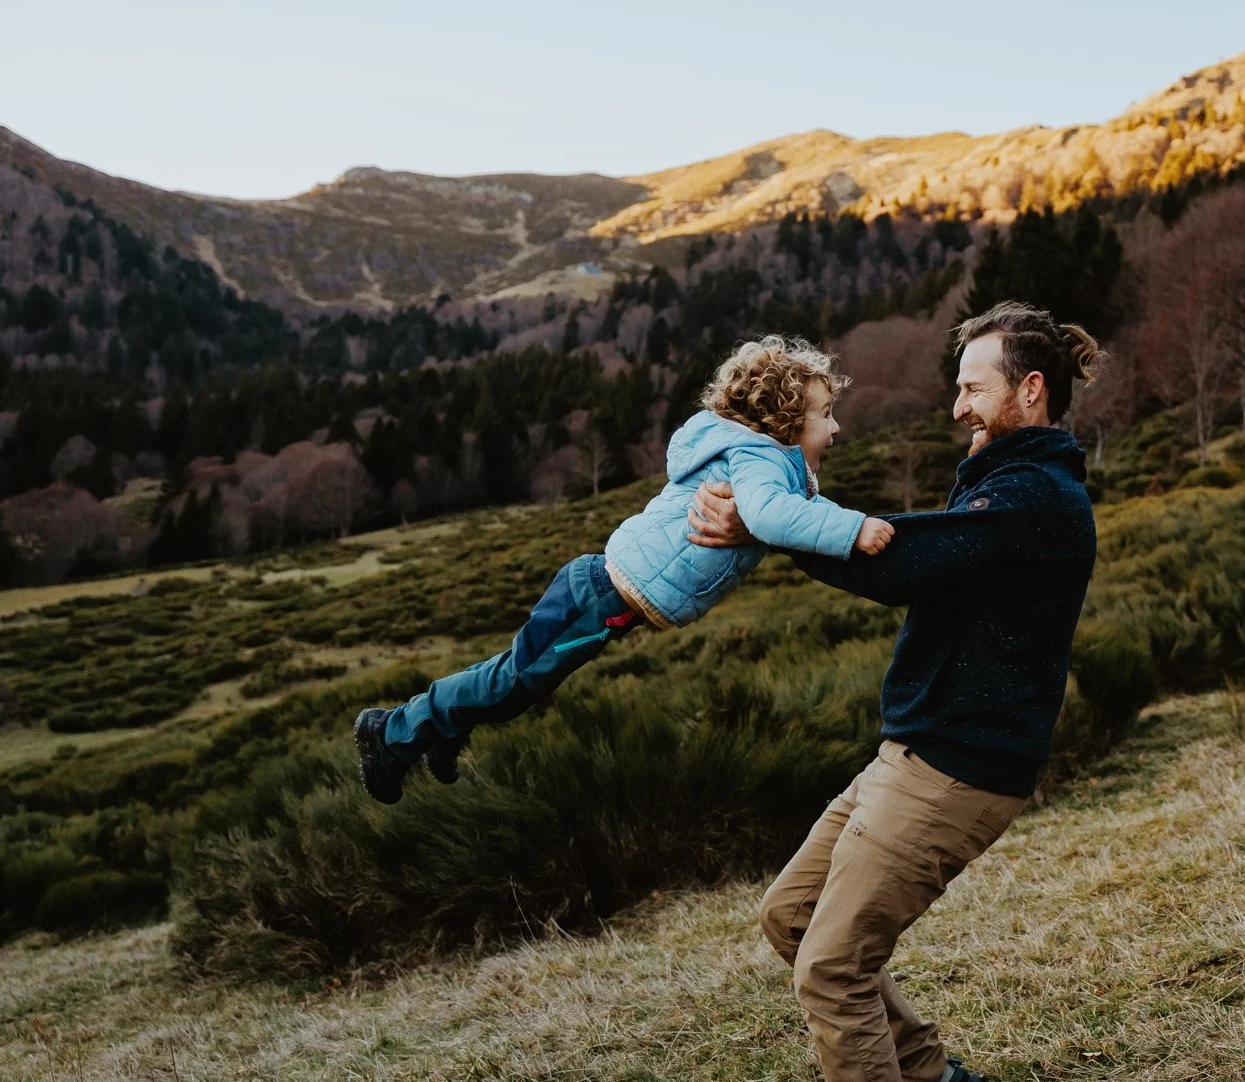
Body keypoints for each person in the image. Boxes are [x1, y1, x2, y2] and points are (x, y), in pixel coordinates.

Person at [686, 301, 1103, 1082]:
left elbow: (901, 562)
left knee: (829, 964)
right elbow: (908, 561)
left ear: (1027, 391)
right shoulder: (997, 482)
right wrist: (771, 522)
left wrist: (763, 523)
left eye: (971, 386)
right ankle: (921, 1081)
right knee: (789, 921)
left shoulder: (1036, 498)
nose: (955, 405)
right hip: (906, 755)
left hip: (953, 774)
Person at [351, 335, 892, 804]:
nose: (837, 426)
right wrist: (853, 531)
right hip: (600, 596)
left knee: (515, 679)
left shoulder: (758, 460)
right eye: (825, 414)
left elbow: (792, 510)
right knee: (516, 683)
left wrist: (845, 524)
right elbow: (775, 516)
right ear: (784, 419)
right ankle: (392, 734)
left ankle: (445, 724)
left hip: (605, 594)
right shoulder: (760, 460)